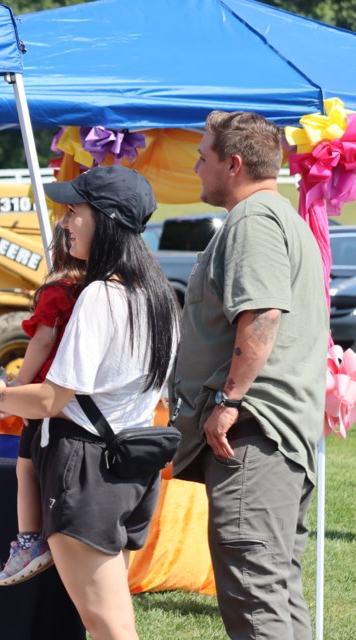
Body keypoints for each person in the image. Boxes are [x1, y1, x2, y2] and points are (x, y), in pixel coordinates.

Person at [0, 165, 179, 640]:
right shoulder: (160, 297)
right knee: (112, 621)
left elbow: (52, 398)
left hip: (85, 470)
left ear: (106, 219)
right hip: (132, 466)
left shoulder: (99, 296)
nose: (65, 221)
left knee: (109, 627)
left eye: (74, 211)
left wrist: (1, 398)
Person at [170, 111, 328, 640]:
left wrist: (229, 400)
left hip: (254, 437)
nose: (196, 168)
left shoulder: (253, 220)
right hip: (276, 438)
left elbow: (260, 314)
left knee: (254, 597)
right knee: (275, 588)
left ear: (233, 164)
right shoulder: (279, 218)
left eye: (203, 156)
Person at [0, 223, 85, 586]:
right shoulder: (99, 290)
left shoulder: (57, 291)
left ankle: (30, 539)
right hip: (82, 397)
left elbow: (42, 341)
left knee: (25, 469)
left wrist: (17, 385)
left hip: (46, 393)